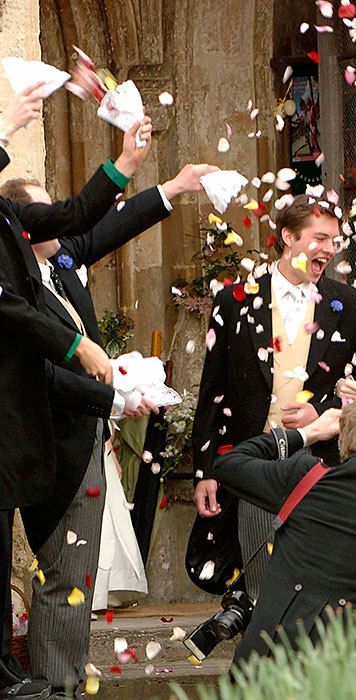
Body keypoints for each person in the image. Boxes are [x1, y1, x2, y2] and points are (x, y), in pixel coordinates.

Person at [1, 158, 218, 697]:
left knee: (80, 575)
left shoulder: (64, 264)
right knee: (62, 573)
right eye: (43, 207)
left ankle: (65, 680)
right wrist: (114, 399)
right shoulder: (20, 290)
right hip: (48, 447)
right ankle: (55, 686)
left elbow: (109, 228)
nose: (57, 216)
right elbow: (47, 374)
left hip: (88, 440)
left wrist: (171, 187)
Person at [0, 84, 144, 700]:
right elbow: (8, 310)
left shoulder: (8, 218)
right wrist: (78, 348)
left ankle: (8, 675)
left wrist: (125, 163)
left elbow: (75, 216)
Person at [191, 194, 356, 599]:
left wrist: (326, 411)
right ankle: (264, 655)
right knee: (261, 578)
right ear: (288, 237)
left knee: (320, 581)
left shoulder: (351, 304)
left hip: (323, 466)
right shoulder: (234, 302)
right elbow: (213, 391)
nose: (330, 250)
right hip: (254, 464)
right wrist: (207, 470)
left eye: (335, 241)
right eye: (320, 238)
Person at [209, 396, 356, 664]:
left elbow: (228, 464)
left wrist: (307, 433)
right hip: (354, 672)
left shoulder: (303, 477)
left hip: (268, 664)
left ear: (342, 443)